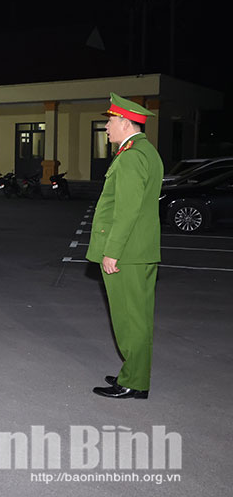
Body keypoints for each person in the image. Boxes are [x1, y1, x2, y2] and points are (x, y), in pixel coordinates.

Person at [88, 94, 163, 399]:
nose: (106, 127)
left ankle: (134, 382)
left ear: (125, 122)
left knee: (129, 318)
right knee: (137, 317)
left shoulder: (131, 156)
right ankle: (133, 374)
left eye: (110, 121)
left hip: (127, 253)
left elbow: (127, 210)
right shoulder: (146, 151)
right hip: (139, 250)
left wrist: (112, 251)